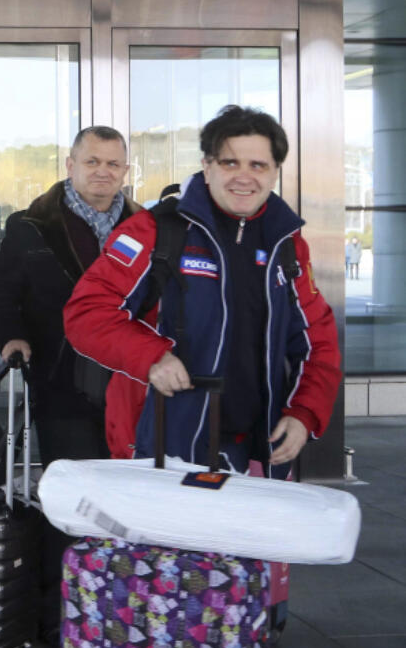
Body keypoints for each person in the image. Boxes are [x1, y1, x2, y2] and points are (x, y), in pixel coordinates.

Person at [63, 105, 341, 478]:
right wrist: (152, 358)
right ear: (207, 165)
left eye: (258, 165)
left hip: (259, 452)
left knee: (245, 539)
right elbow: (86, 314)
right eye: (230, 163)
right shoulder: (154, 231)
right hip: (161, 445)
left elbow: (318, 340)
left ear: (275, 172)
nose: (244, 177)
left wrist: (305, 412)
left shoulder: (286, 243)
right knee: (169, 539)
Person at [0, 124, 139, 640]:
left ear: (126, 172)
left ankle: (119, 605)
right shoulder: (32, 226)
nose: (102, 173)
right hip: (62, 380)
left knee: (128, 497)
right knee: (75, 495)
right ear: (70, 165)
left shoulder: (147, 228)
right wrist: (11, 338)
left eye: (113, 164)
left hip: (132, 386)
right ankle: (59, 612)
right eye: (92, 162)